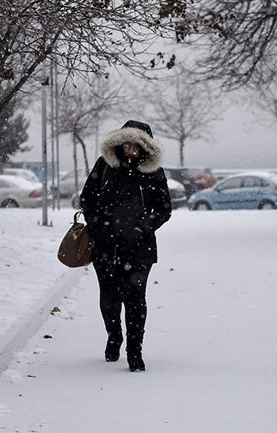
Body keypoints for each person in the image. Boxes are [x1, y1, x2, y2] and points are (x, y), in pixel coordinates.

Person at [80, 120, 172, 372]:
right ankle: (114, 335)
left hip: (139, 248)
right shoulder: (106, 166)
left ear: (145, 148)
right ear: (120, 144)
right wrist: (97, 224)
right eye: (127, 144)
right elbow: (87, 198)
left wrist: (141, 228)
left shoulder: (154, 172)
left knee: (135, 299)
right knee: (109, 298)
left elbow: (164, 209)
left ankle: (135, 350)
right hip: (105, 246)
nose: (131, 150)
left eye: (136, 146)